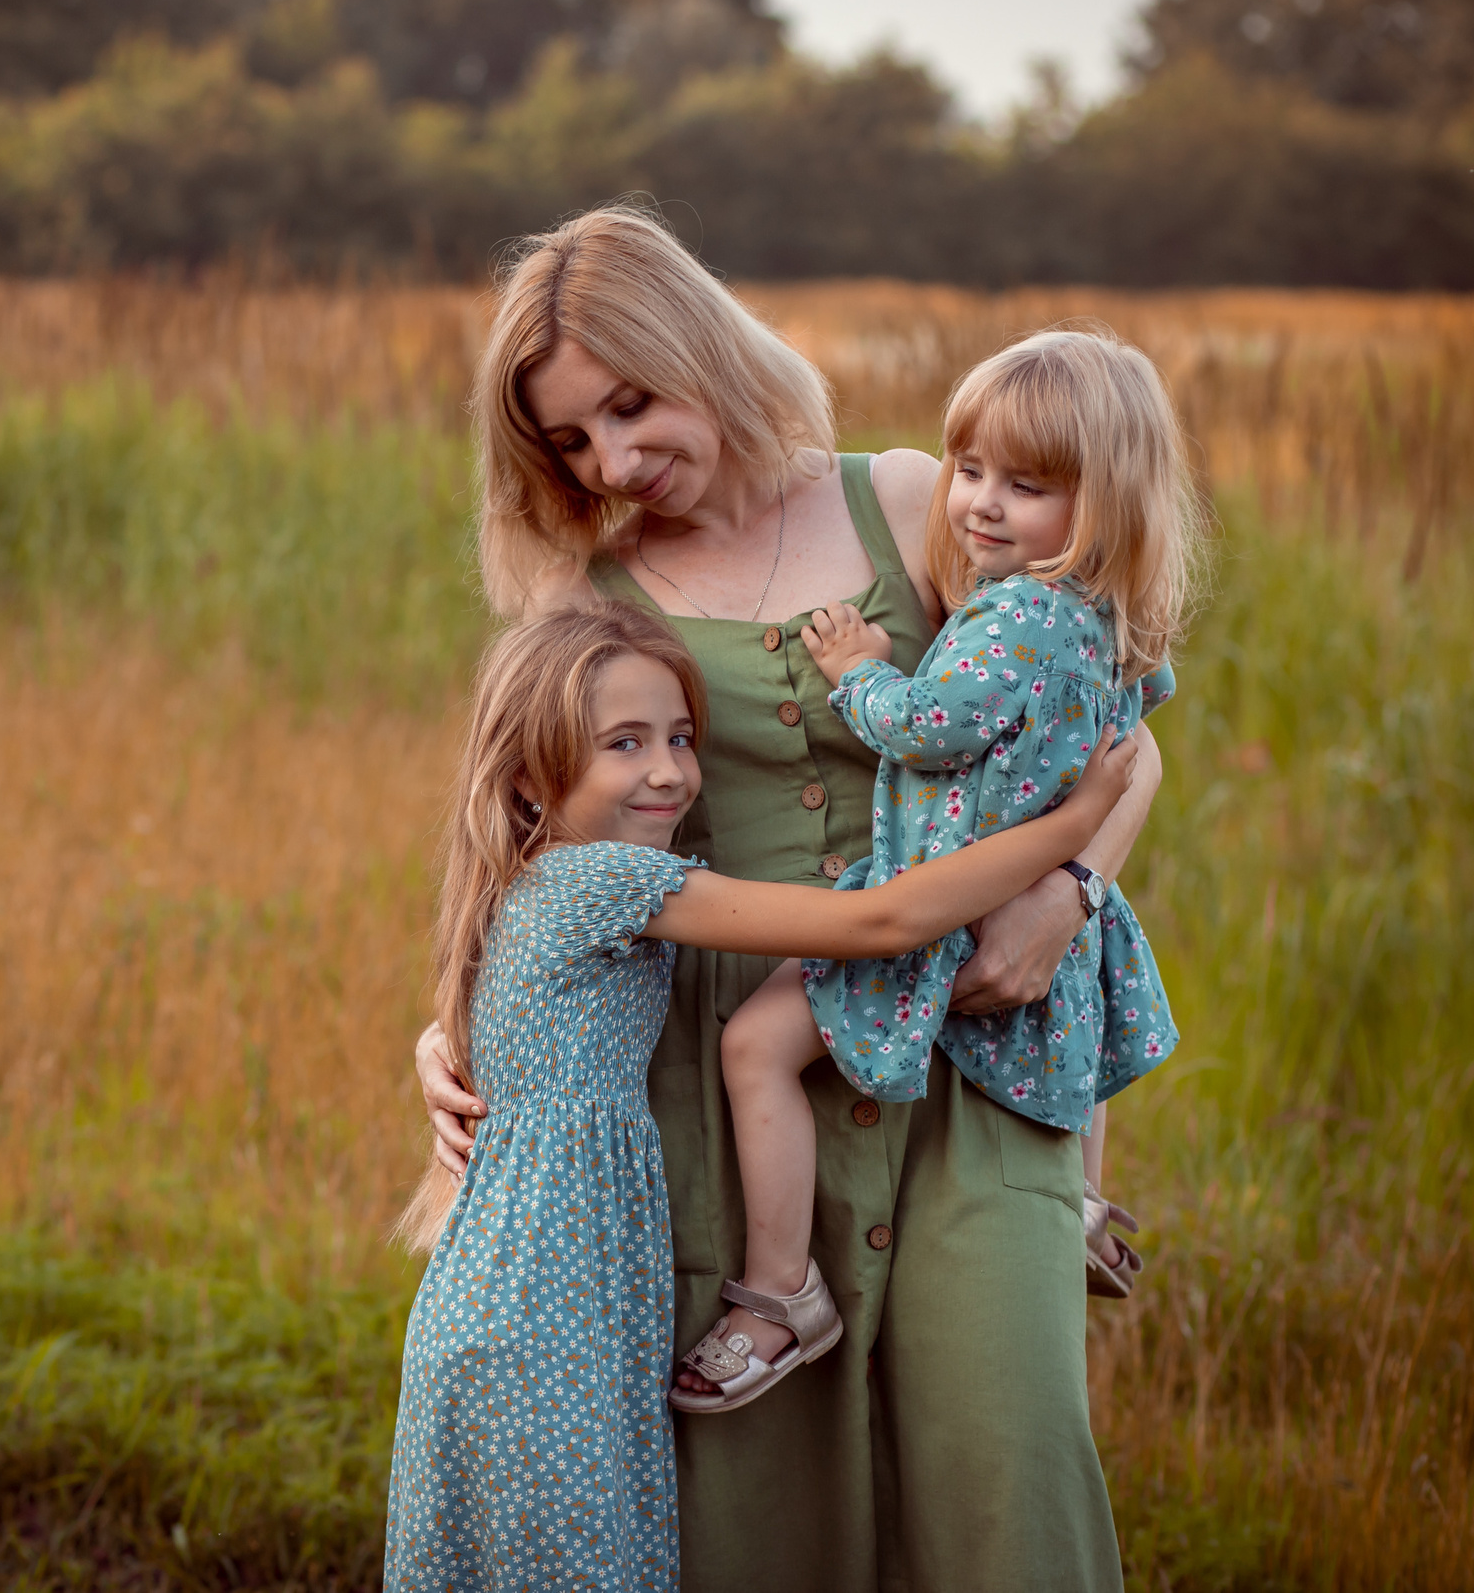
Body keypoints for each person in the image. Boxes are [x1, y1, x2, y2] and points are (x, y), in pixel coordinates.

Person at [414, 206, 1164, 1590]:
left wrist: (1068, 889)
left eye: (630, 406)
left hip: (970, 1058)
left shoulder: (913, 500)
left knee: (1010, 1476)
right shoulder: (587, 597)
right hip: (727, 1092)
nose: (614, 462)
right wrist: (449, 1035)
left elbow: (1122, 739)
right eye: (571, 441)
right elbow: (524, 841)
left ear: (698, 346)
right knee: (766, 1522)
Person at [384, 601, 1142, 1591]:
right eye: (625, 744)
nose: (669, 771)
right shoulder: (600, 882)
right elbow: (879, 923)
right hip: (537, 1322)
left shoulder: (526, 882)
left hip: (533, 1304)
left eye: (681, 738)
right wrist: (1075, 828)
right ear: (530, 775)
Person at [679, 326, 1202, 1414]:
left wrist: (859, 671)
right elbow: (1133, 721)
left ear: (1105, 503)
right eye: (969, 471)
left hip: (939, 902)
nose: (980, 505)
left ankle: (779, 1293)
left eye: (1028, 487)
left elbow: (923, 729)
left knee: (755, 1046)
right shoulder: (1108, 618)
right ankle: (1082, 1205)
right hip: (1034, 903)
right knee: (1069, 1038)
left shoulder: (1011, 619)